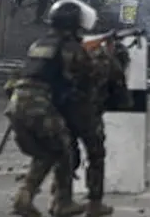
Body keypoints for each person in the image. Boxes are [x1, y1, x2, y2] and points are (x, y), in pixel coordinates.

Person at [3, 0, 97, 217]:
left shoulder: (39, 44)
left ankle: (23, 197)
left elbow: (23, 75)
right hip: (39, 106)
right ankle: (62, 203)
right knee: (65, 151)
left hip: (17, 103)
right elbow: (85, 79)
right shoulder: (70, 48)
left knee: (46, 153)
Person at [55, 32, 133, 217]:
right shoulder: (111, 63)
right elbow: (123, 101)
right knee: (96, 157)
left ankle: (61, 201)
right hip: (87, 115)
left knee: (66, 156)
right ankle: (94, 204)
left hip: (63, 111)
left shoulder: (72, 54)